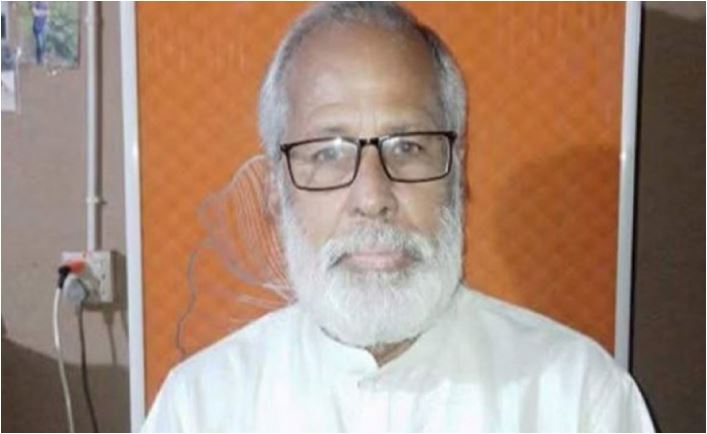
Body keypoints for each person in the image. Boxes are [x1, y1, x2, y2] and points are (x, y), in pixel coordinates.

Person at [143, 2, 654, 431]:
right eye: (329, 152)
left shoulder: (577, 398)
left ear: (457, 173)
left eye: (408, 147)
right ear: (276, 191)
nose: (372, 196)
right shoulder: (201, 407)